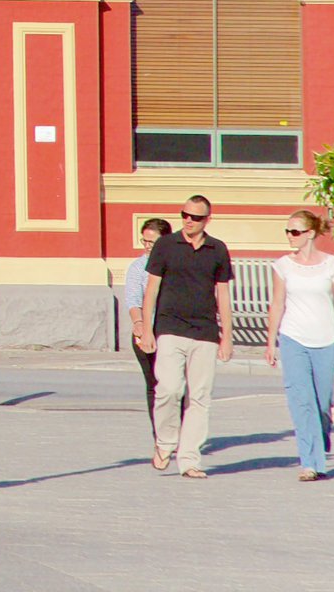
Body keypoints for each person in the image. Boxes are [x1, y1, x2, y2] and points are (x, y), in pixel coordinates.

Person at [140, 193, 234, 478]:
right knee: (168, 389)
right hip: (169, 328)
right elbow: (151, 290)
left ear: (207, 219)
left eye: (195, 217)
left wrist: (226, 336)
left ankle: (190, 459)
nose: (188, 221)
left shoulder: (217, 250)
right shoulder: (166, 246)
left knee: (200, 398)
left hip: (205, 332)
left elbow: (223, 294)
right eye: (184, 215)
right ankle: (165, 441)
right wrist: (147, 330)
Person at [266, 208, 334, 481]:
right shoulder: (283, 265)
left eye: (295, 232)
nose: (290, 237)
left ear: (310, 234)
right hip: (293, 338)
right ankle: (310, 462)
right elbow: (278, 303)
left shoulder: (331, 264)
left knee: (323, 401)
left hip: (326, 339)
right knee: (301, 401)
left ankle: (321, 434)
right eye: (287, 231)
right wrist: (271, 341)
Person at [121, 217, 173, 440]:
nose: (148, 246)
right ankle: (160, 436)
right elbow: (133, 300)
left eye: (153, 242)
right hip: (147, 331)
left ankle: (178, 431)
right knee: (154, 385)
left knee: (174, 386)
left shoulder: (175, 265)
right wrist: (139, 325)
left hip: (171, 331)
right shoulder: (137, 267)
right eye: (145, 241)